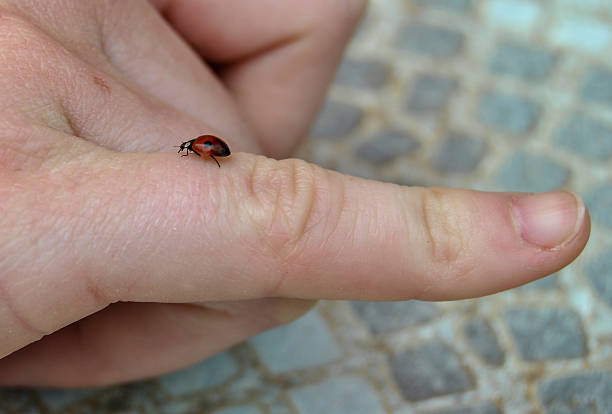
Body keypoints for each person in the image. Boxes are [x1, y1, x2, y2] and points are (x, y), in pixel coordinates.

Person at [0, 0, 590, 387]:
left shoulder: (205, 150)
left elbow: (218, 156)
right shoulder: (200, 148)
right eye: (196, 154)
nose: (196, 156)